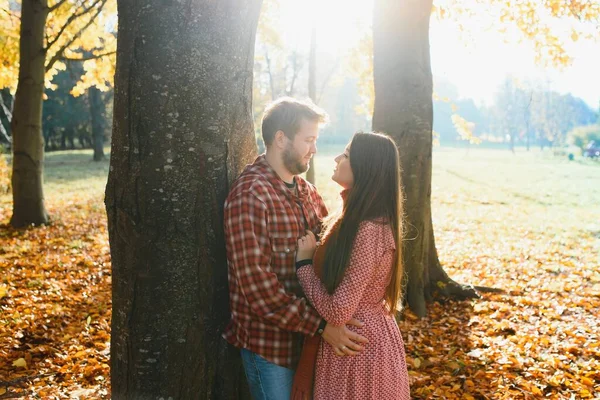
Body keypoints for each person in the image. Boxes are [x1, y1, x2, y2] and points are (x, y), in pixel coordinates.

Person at [222, 98, 369, 400]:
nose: (314, 149)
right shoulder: (250, 195)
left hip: (310, 345)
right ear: (280, 138)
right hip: (270, 350)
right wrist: (321, 326)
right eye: (309, 140)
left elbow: (331, 257)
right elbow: (259, 292)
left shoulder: (307, 192)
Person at [293, 132, 411, 399]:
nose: (336, 158)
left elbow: (337, 312)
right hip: (356, 342)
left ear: (365, 167)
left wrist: (304, 266)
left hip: (357, 349)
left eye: (346, 155)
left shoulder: (369, 228)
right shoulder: (353, 216)